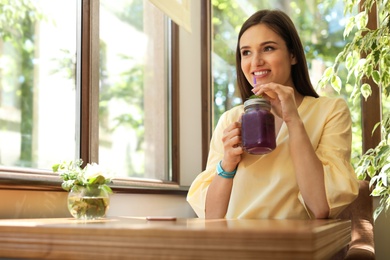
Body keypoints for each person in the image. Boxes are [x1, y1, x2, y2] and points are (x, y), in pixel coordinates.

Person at [187, 9, 359, 219]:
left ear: (293, 55)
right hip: (235, 244)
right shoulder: (231, 120)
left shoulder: (330, 111)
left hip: (292, 245)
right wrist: (227, 164)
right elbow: (211, 217)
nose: (255, 62)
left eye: (268, 48)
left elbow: (321, 206)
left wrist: (293, 120)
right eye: (246, 52)